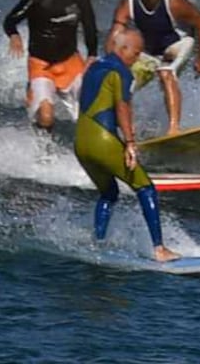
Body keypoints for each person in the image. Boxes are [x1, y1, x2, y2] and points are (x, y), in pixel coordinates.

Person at [75, 28, 179, 261]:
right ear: (122, 49)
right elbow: (123, 107)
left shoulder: (93, 67)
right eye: (136, 52)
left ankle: (98, 243)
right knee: (145, 187)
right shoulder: (122, 72)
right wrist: (130, 143)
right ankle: (160, 249)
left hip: (81, 142)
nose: (138, 57)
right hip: (102, 140)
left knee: (109, 193)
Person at [107, 0, 200, 136]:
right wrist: (109, 62)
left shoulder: (174, 2)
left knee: (166, 73)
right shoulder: (129, 2)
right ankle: (127, 132)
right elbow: (115, 34)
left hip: (178, 44)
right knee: (123, 84)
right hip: (150, 51)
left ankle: (173, 129)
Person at [3, 0, 99, 130]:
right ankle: (44, 151)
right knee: (46, 118)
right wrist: (14, 35)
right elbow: (10, 20)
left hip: (71, 62)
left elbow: (90, 27)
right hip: (41, 65)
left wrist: (92, 54)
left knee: (92, 105)